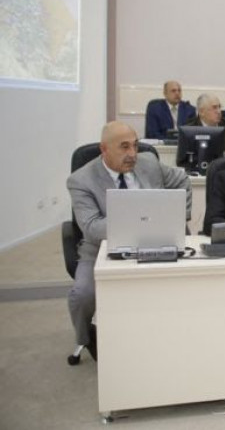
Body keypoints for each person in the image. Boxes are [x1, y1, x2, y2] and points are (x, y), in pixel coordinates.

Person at [67, 121, 192, 359]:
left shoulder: (149, 162)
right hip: (101, 248)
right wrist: (141, 219)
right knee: (82, 294)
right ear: (104, 149)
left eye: (135, 145)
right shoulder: (81, 180)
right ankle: (86, 338)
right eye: (124, 147)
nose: (133, 154)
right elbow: (91, 227)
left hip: (155, 240)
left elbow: (182, 181)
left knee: (188, 281)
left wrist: (178, 216)